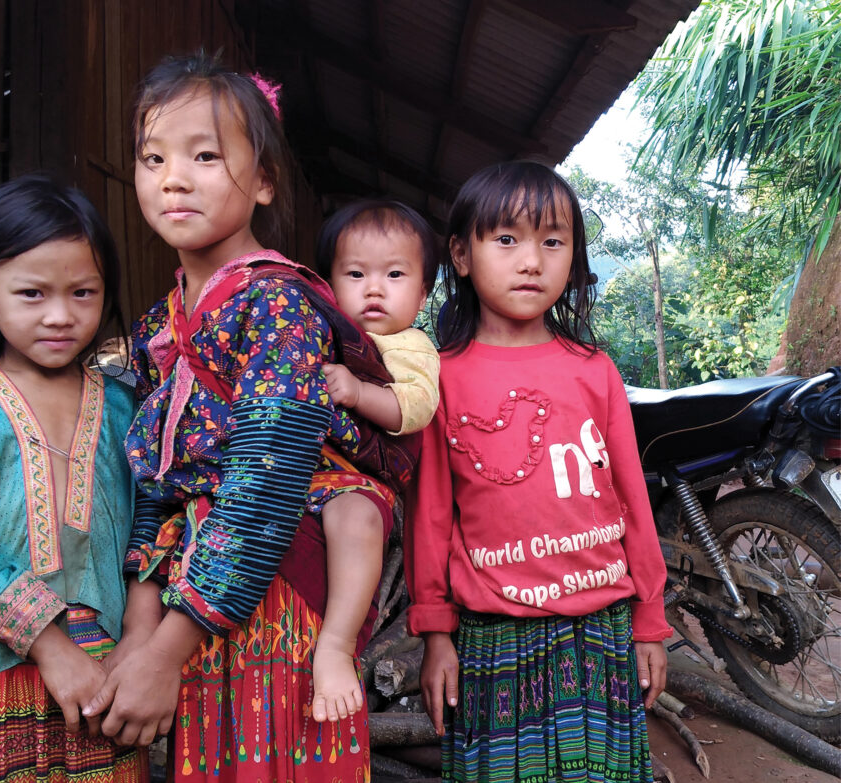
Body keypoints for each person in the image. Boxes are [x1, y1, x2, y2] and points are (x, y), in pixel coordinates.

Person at [83, 54, 411, 782]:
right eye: (153, 157)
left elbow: (265, 484)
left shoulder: (279, 306)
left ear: (263, 181)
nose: (173, 177)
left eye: (205, 155)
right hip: (198, 600)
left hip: (278, 591)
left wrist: (165, 647)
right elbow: (154, 477)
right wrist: (141, 631)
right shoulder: (159, 323)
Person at [405, 160, 672, 782]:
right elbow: (431, 515)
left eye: (553, 241)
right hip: (491, 633)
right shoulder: (441, 377)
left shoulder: (595, 369)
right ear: (461, 256)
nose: (532, 261)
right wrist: (435, 630)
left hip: (601, 631)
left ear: (573, 258)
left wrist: (650, 621)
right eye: (506, 240)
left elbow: (630, 497)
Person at [0, 173, 148, 783]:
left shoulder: (125, 404)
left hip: (101, 679)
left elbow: (152, 527)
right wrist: (49, 645)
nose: (61, 316)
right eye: (32, 294)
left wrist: (134, 652)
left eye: (84, 293)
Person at [311, 200, 440, 721]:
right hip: (303, 471)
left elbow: (415, 407)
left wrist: (358, 391)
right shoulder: (320, 331)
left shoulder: (409, 345)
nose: (373, 288)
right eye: (356, 273)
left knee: (357, 519)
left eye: (394, 274)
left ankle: (336, 646)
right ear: (327, 285)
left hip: (359, 480)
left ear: (423, 293)